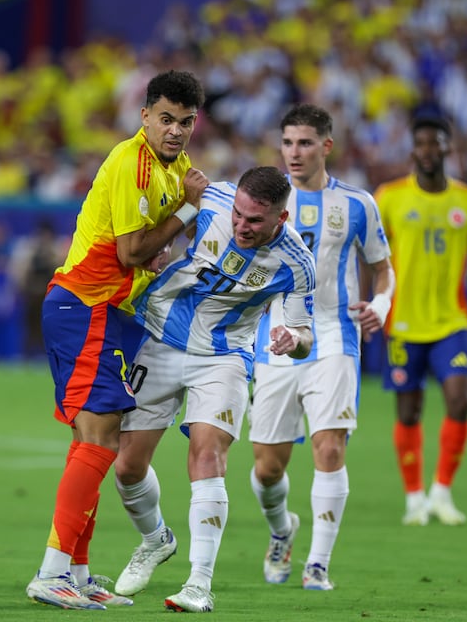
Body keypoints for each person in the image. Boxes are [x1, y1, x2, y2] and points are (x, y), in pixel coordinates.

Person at [26, 70, 209, 610]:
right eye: (166, 119)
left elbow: (145, 252)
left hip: (103, 313)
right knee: (102, 439)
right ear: (145, 115)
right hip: (89, 308)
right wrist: (188, 211)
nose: (175, 130)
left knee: (91, 440)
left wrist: (164, 240)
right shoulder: (135, 162)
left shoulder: (171, 171)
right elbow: (130, 252)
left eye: (186, 122)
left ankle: (77, 574)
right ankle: (51, 572)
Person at [112, 166, 317, 613]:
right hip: (162, 339)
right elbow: (155, 231)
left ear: (280, 220)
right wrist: (160, 249)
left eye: (255, 221)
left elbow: (304, 337)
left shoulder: (297, 263)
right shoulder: (213, 198)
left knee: (207, 456)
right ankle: (155, 540)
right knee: (126, 467)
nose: (242, 226)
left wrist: (292, 341)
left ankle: (199, 584)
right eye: (240, 215)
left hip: (223, 357)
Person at [248, 104, 395, 591]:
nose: (294, 152)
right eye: (288, 142)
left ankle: (318, 565)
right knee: (268, 469)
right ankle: (281, 530)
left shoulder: (357, 204)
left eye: (305, 143)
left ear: (326, 146)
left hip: (335, 337)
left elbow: (382, 266)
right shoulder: (263, 202)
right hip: (273, 339)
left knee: (330, 447)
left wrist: (382, 302)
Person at [374, 106, 467, 527]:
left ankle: (442, 492)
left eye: (436, 142)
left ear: (448, 147)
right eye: (421, 142)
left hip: (453, 321)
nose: (428, 150)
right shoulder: (389, 197)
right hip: (403, 322)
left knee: (460, 400)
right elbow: (373, 258)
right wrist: (374, 303)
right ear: (413, 149)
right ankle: (414, 498)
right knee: (408, 411)